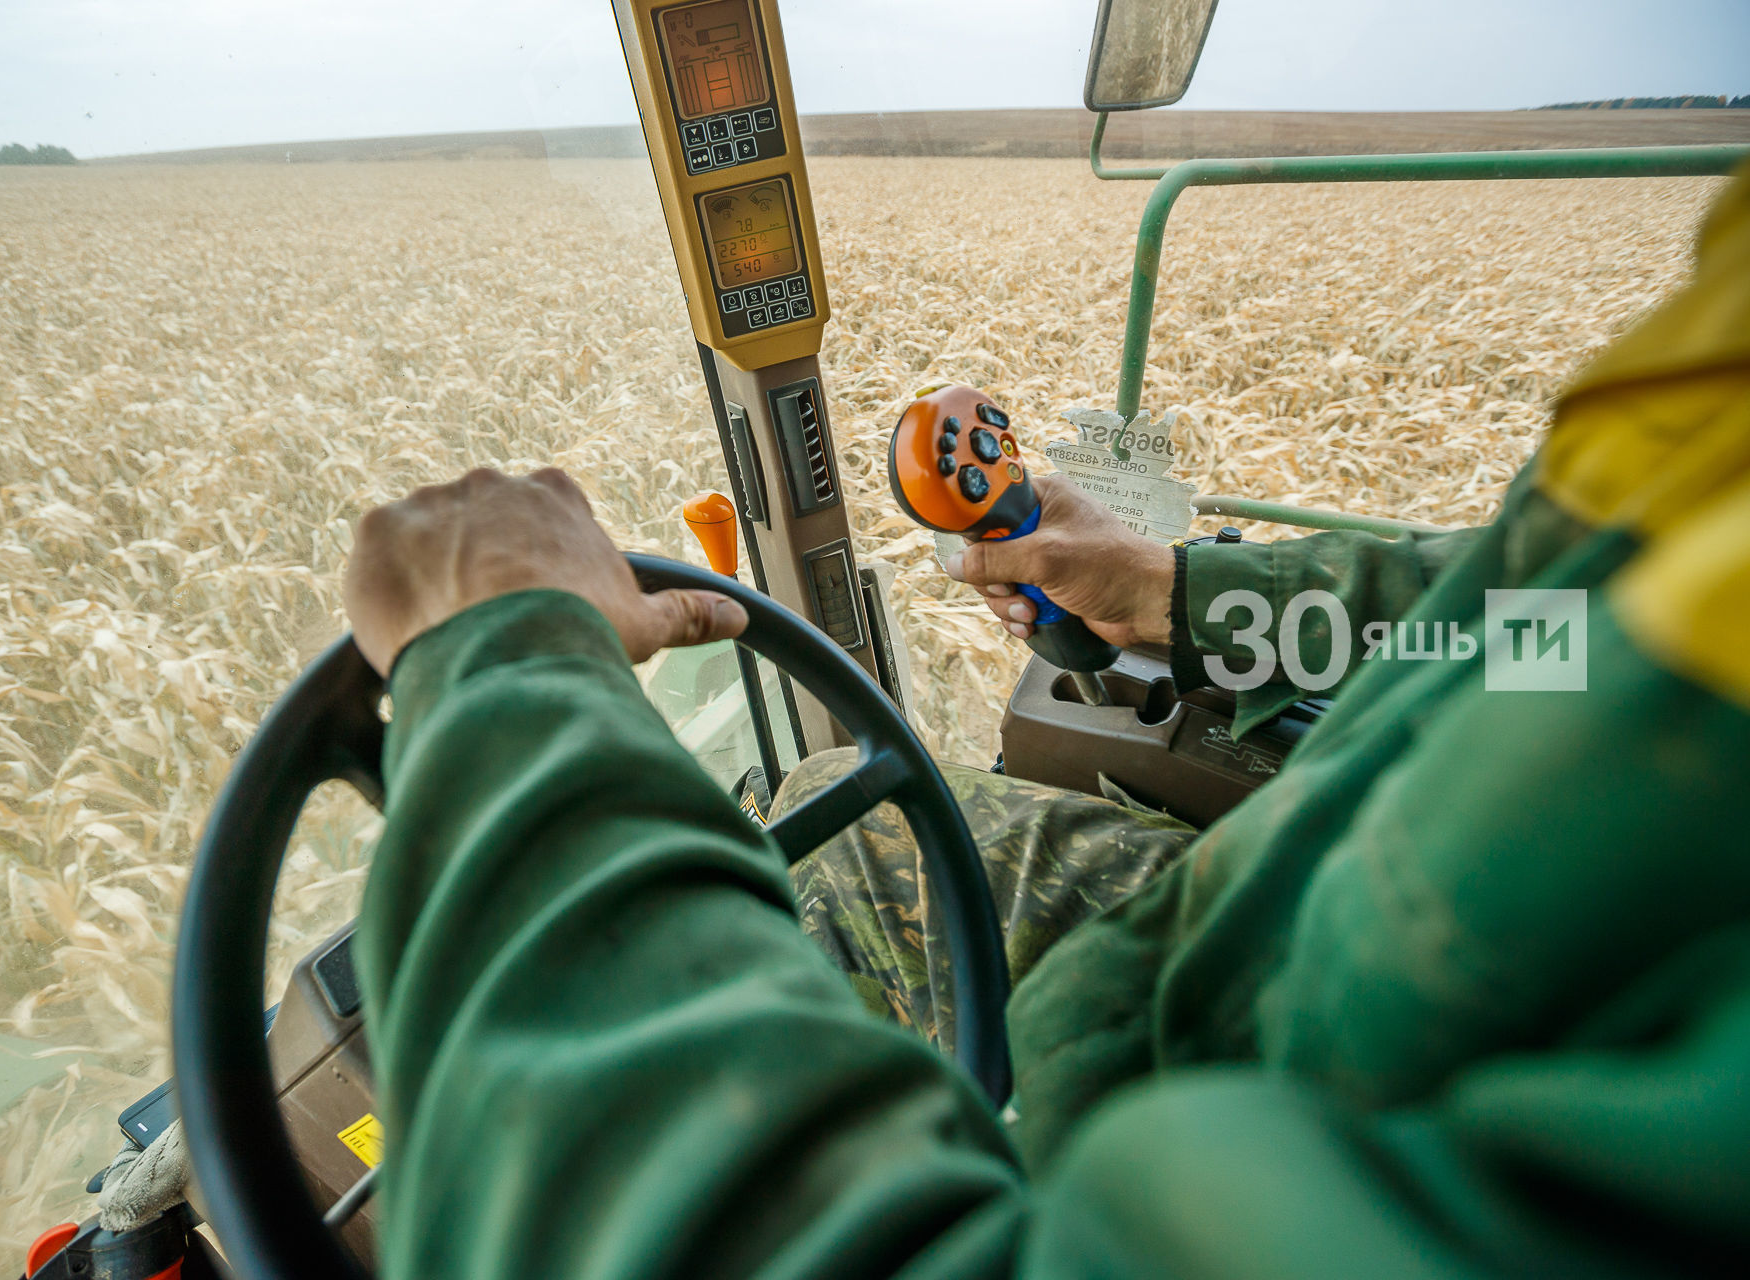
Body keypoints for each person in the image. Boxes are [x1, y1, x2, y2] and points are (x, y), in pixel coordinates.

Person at [342, 169, 1750, 1276]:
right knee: (852, 825)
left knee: (828, 838)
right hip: (1347, 917)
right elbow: (1534, 619)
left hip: (1297, 1080)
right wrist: (1186, 596)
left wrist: (502, 679)